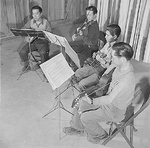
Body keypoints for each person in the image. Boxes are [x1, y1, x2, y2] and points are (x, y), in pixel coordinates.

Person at [63, 42, 135, 144]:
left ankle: (101, 135)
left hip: (114, 110)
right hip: (109, 102)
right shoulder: (121, 64)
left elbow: (109, 99)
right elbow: (106, 74)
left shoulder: (126, 80)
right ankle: (77, 128)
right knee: (80, 101)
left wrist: (92, 101)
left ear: (123, 59)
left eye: (113, 57)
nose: (111, 58)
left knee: (85, 117)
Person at [72, 24, 121, 91]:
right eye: (106, 34)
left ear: (115, 36)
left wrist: (101, 58)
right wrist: (97, 54)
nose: (105, 37)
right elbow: (99, 54)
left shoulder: (116, 50)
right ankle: (83, 87)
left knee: (81, 84)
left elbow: (110, 66)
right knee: (78, 72)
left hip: (101, 72)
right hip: (96, 65)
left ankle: (87, 94)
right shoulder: (107, 44)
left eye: (108, 35)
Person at [19, 5, 52, 72]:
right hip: (33, 41)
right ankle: (26, 65)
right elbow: (23, 30)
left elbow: (50, 35)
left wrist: (44, 35)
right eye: (33, 14)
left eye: (37, 13)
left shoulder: (46, 22)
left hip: (43, 42)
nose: (35, 16)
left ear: (41, 14)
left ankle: (45, 70)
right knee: (22, 52)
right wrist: (27, 37)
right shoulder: (31, 21)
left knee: (43, 53)